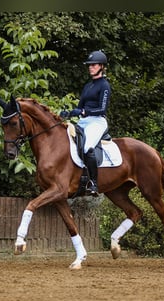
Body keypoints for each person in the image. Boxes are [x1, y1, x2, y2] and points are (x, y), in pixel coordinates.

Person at [60, 50, 111, 196]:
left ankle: (94, 183)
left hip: (97, 121)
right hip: (84, 121)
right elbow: (80, 106)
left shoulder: (104, 85)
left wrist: (83, 112)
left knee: (88, 147)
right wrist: (69, 113)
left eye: (93, 65)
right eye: (89, 65)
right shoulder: (87, 86)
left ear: (101, 66)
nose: (90, 67)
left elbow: (102, 108)